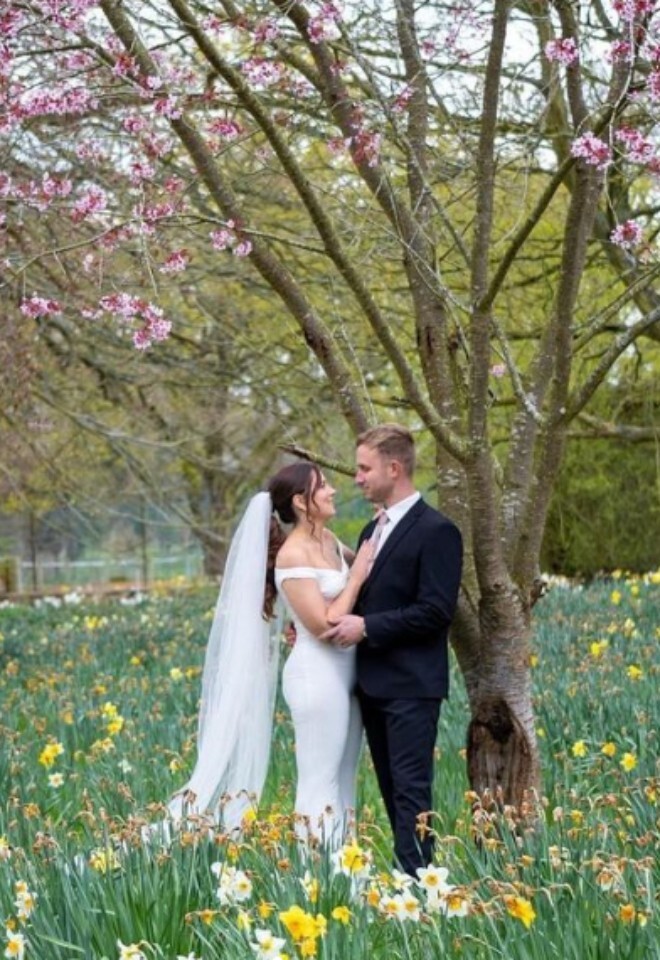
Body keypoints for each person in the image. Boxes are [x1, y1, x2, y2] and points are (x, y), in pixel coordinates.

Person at [169, 461, 371, 848]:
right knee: (319, 779)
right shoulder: (293, 555)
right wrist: (357, 575)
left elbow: (365, 569)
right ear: (300, 501)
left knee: (345, 777)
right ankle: (317, 874)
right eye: (323, 486)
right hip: (317, 676)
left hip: (349, 674)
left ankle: (348, 873)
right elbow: (323, 624)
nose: (333, 491)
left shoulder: (328, 542)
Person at [320, 424, 463, 876]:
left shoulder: (438, 531)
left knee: (411, 793)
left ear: (394, 468)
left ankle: (420, 885)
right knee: (389, 791)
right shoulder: (370, 529)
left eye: (365, 468)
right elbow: (358, 596)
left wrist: (367, 627)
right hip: (372, 685)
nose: (357, 477)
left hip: (412, 687)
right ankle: (408, 881)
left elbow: (436, 611)